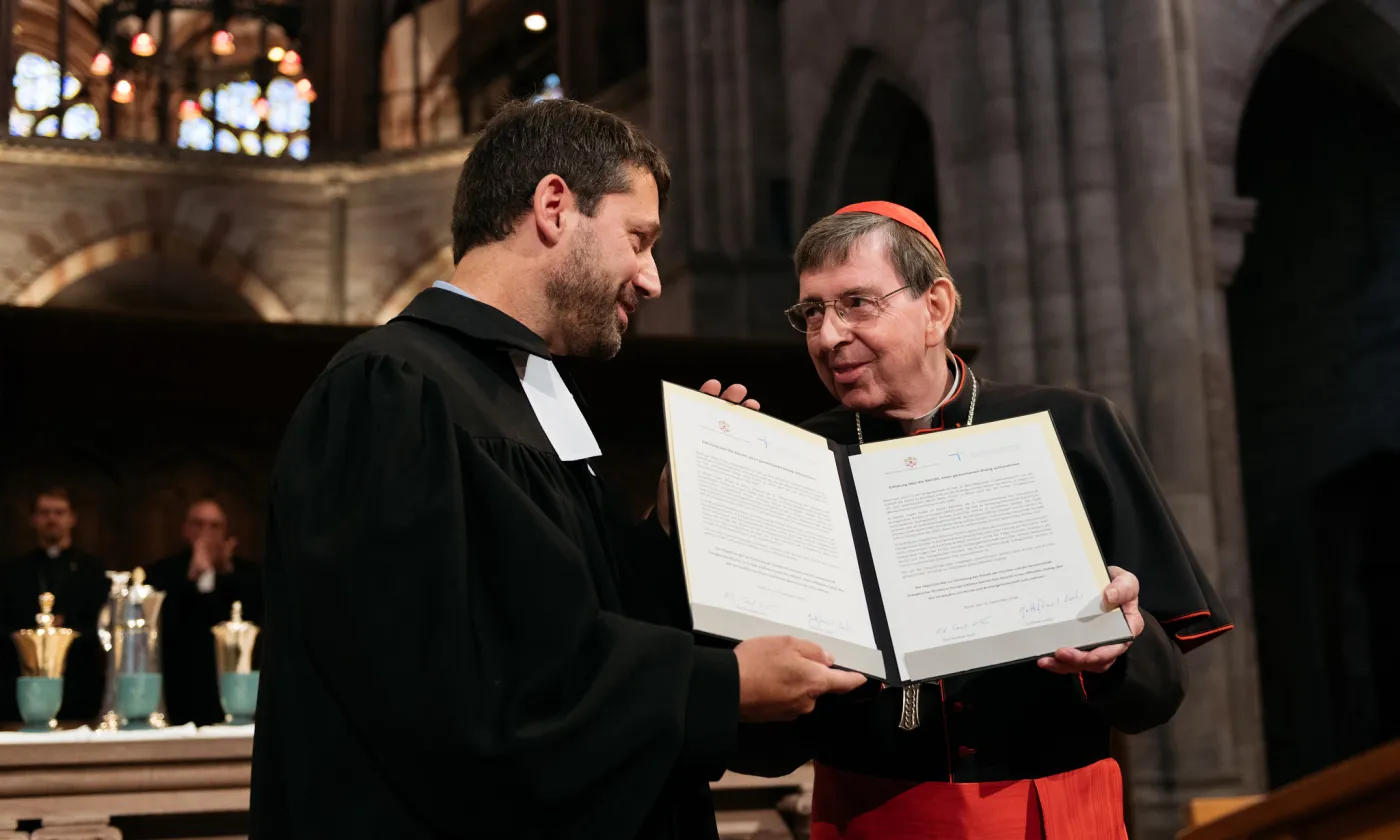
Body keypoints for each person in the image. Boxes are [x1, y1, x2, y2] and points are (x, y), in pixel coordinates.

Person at [249, 98, 864, 840]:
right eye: (639, 239)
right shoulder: (391, 389)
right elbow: (454, 691)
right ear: (553, 206)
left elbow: (574, 606)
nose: (652, 279)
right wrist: (719, 686)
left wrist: (672, 524)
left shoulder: (533, 390)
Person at [728, 202, 1234, 839]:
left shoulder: (1071, 429)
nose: (828, 337)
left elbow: (1158, 697)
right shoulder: (800, 462)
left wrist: (1121, 649)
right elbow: (766, 740)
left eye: (856, 303)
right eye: (812, 313)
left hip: (1049, 818)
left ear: (935, 307)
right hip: (869, 820)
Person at [147, 498, 263, 726]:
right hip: (180, 684)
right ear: (185, 530)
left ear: (226, 532)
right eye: (198, 524)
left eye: (214, 526)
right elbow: (166, 627)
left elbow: (254, 622)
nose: (206, 532)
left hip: (232, 685)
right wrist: (193, 577)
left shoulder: (248, 574)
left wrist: (224, 573)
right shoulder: (163, 573)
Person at [0, 488, 109, 723]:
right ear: (34, 520)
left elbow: (102, 624)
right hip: (25, 678)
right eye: (45, 512)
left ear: (72, 518)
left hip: (78, 680)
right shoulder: (15, 571)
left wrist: (65, 630)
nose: (52, 519)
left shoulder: (91, 569)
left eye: (59, 512)